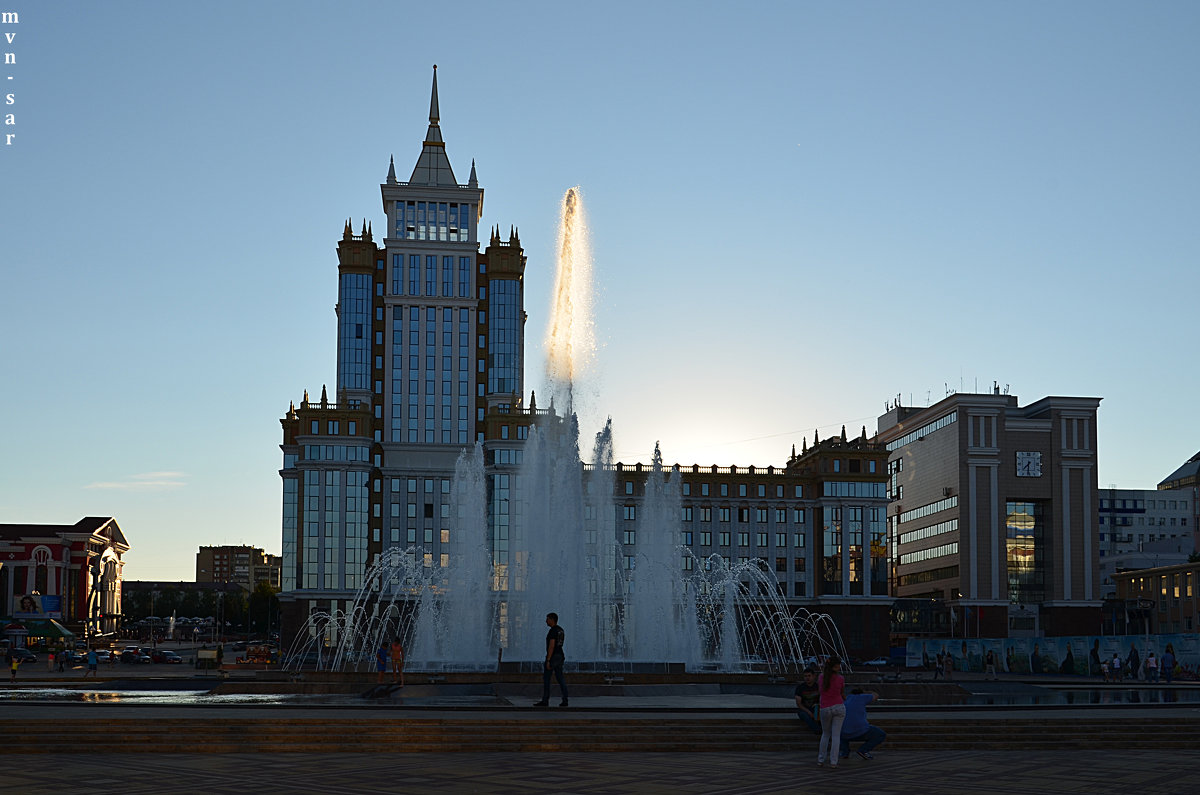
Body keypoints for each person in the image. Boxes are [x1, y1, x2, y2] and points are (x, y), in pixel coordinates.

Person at [839, 688, 886, 761]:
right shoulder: (862, 697)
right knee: (881, 734)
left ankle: (844, 753)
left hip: (844, 733)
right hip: (860, 730)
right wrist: (867, 691)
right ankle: (863, 750)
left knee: (841, 730)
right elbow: (876, 695)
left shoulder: (846, 699)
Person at [816, 656, 846, 768]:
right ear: (836, 666)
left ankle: (820, 759)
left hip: (825, 707)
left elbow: (820, 691)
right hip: (839, 706)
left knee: (825, 734)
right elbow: (842, 693)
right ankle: (834, 762)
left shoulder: (821, 677)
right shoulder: (841, 678)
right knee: (836, 736)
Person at [534, 612, 567, 707]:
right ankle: (565, 699)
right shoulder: (561, 630)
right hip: (560, 656)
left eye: (547, 619)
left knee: (547, 678)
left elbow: (551, 645)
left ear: (552, 620)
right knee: (560, 678)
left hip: (553, 657)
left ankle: (545, 700)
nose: (546, 621)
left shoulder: (553, 631)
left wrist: (548, 660)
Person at [793, 668, 821, 735]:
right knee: (804, 715)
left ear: (814, 676)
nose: (807, 678)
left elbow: (823, 699)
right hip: (804, 709)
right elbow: (799, 704)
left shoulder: (818, 687)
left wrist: (817, 706)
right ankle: (818, 730)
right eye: (805, 676)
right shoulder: (800, 687)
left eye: (809, 676)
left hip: (816, 708)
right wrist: (809, 712)